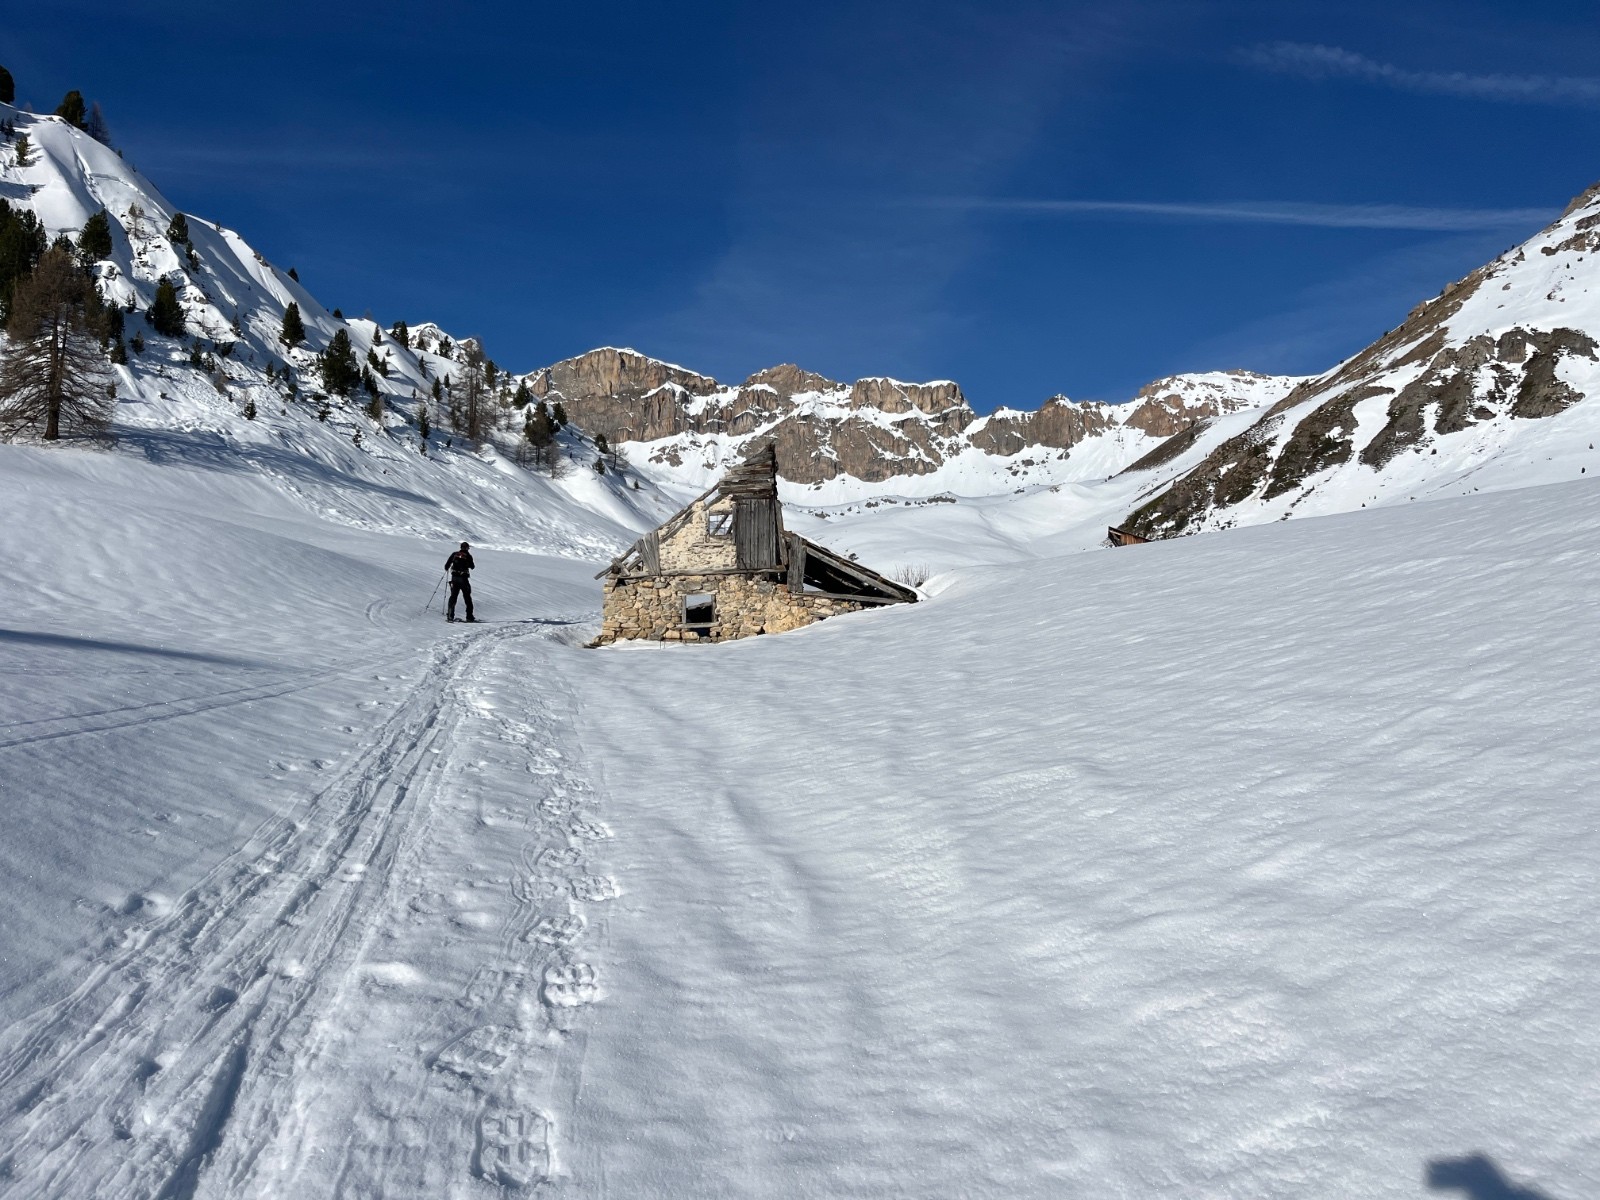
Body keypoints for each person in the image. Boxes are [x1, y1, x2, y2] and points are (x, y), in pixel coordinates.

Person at [445, 541, 476, 622]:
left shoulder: (454, 554)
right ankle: (469, 617)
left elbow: (446, 566)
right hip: (463, 579)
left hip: (454, 578)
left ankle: (450, 616)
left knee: (453, 597)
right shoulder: (468, 556)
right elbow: (472, 566)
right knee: (467, 598)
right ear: (467, 548)